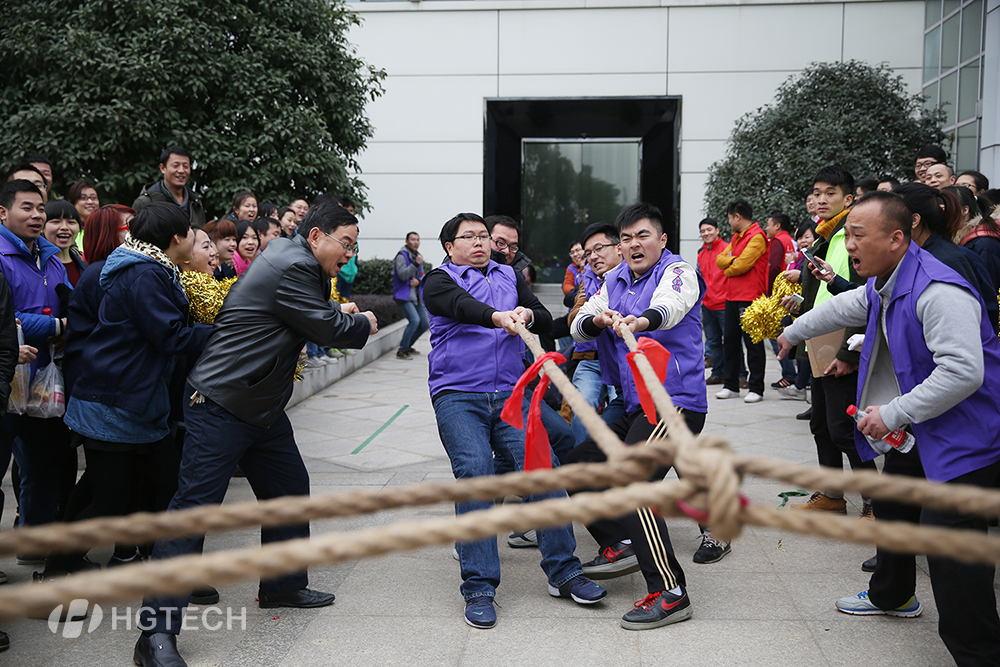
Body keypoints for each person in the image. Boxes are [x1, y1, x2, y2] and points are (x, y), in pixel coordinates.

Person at [134, 203, 377, 667]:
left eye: (353, 244)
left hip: (259, 404)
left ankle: (283, 586)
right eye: (345, 242)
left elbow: (305, 315)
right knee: (192, 510)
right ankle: (154, 635)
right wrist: (361, 322)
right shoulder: (296, 265)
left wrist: (333, 310)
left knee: (288, 488)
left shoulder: (290, 258)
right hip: (224, 402)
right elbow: (326, 327)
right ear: (316, 237)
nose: (349, 253)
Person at [777, 190, 1000, 667]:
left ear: (897, 238)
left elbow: (964, 372)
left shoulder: (940, 290)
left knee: (951, 546)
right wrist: (794, 331)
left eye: (857, 235)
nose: (849, 244)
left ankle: (980, 653)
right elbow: (844, 308)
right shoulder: (887, 280)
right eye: (846, 235)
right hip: (929, 428)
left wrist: (893, 414)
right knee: (895, 498)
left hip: (968, 436)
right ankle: (895, 595)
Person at [423, 212, 606, 630]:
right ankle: (479, 588)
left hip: (511, 394)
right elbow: (461, 307)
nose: (479, 242)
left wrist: (535, 314)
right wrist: (497, 316)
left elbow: (544, 319)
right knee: (476, 472)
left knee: (544, 470)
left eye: (483, 236)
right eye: (467, 237)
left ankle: (564, 571)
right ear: (450, 247)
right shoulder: (439, 280)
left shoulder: (509, 275)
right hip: (457, 394)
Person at [50, 203, 212, 577]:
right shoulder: (144, 275)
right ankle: (56, 573)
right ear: (175, 238)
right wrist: (228, 331)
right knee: (109, 502)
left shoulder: (152, 268)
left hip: (138, 405)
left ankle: (169, 571)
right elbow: (170, 335)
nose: (194, 239)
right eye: (190, 232)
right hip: (115, 404)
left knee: (165, 488)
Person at [568, 202, 709, 627]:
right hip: (632, 404)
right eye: (626, 238)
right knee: (575, 467)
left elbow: (673, 306)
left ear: (662, 239)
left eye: (642, 236)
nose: (633, 245)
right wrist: (596, 321)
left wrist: (641, 321)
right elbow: (580, 324)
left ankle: (670, 592)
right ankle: (621, 542)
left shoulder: (678, 271)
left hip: (673, 402)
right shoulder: (613, 280)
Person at [782, 166, 878, 515]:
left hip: (843, 347)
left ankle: (874, 503)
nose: (821, 199)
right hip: (819, 344)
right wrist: (801, 307)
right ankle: (832, 496)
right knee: (821, 425)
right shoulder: (823, 236)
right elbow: (828, 295)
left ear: (849, 199)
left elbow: (863, 302)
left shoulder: (852, 236)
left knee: (845, 429)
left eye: (830, 193)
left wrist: (848, 353)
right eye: (817, 192)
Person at [0, 180, 76, 561]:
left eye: (39, 209)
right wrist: (56, 328)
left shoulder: (50, 257)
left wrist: (65, 329)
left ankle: (35, 549)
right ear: (3, 212)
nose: (36, 216)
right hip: (7, 380)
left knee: (44, 469)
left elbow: (68, 307)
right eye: (26, 207)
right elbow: (6, 319)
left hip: (46, 379)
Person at [564, 221, 623, 422]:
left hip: (621, 358)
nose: (593, 257)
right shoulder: (587, 279)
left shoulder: (634, 274)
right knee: (582, 405)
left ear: (619, 248)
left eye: (599, 249)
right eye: (588, 253)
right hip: (590, 359)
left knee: (621, 408)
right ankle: (582, 453)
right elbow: (575, 318)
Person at [715, 199, 768, 403]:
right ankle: (731, 385)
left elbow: (742, 266)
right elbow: (722, 259)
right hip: (732, 296)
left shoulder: (757, 237)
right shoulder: (737, 238)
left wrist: (730, 265)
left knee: (753, 344)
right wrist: (732, 261)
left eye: (729, 218)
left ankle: (756, 388)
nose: (729, 223)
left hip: (750, 297)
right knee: (730, 342)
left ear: (737, 217)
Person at [132, 146, 206, 227]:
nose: (181, 171)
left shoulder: (195, 203)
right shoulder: (146, 202)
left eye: (185, 166)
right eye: (176, 166)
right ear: (163, 168)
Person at [764, 212, 797, 388]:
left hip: (780, 296)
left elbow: (774, 267)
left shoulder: (777, 241)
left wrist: (770, 294)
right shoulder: (791, 240)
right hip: (790, 292)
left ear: (777, 226)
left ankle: (790, 375)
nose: (766, 228)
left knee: (775, 335)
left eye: (768, 224)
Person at [696, 217, 727, 385]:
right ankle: (717, 373)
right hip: (707, 304)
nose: (706, 233)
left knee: (730, 342)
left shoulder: (727, 249)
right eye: (703, 231)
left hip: (724, 303)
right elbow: (698, 276)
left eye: (709, 230)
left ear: (717, 230)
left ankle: (738, 374)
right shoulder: (701, 252)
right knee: (713, 342)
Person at [392, 232, 429, 360]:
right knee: (414, 321)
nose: (416, 242)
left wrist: (419, 281)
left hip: (416, 296)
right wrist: (415, 264)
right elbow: (402, 275)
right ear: (407, 242)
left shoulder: (417, 256)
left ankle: (408, 346)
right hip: (403, 295)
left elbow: (421, 275)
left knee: (425, 323)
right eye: (413, 240)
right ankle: (402, 350)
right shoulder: (402, 256)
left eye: (418, 240)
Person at [43, 200, 87, 287]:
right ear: (42, 227)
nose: (64, 227)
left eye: (71, 222)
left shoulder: (86, 268)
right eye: (56, 222)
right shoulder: (36, 267)